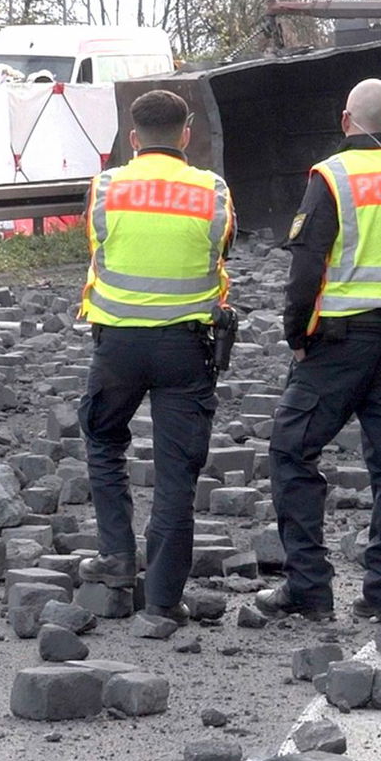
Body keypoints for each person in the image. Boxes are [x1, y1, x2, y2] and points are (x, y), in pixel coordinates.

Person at [256, 78, 381, 625]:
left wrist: (296, 337)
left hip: (337, 345)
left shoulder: (333, 176)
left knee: (292, 452)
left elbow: (306, 266)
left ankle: (309, 588)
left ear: (346, 121)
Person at [76, 89, 236, 622]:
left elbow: (97, 245)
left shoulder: (106, 187)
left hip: (117, 344)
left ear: (133, 137)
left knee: (104, 441)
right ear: (186, 134)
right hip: (186, 348)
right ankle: (165, 601)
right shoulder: (212, 191)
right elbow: (223, 248)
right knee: (176, 472)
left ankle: (116, 558)